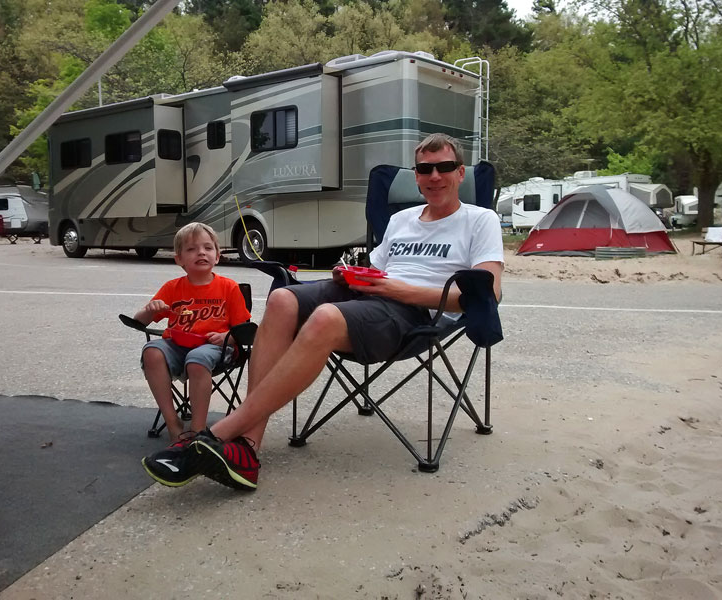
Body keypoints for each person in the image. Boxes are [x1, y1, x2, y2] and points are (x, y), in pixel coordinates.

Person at [142, 133, 504, 491]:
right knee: (283, 298)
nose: (434, 176)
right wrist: (349, 275)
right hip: (372, 299)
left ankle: (215, 436)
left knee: (326, 316)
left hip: (418, 315)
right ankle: (248, 448)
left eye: (444, 167)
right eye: (425, 169)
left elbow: (486, 293)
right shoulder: (402, 220)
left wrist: (398, 289)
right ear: (416, 175)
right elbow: (376, 269)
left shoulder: (479, 219)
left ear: (460, 173)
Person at [135, 222, 251, 454]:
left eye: (208, 248)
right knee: (152, 351)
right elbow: (139, 322)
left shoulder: (229, 288)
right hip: (177, 346)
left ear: (217, 256)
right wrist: (150, 309)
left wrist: (227, 337)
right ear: (179, 259)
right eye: (191, 249)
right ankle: (173, 424)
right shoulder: (172, 288)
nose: (201, 252)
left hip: (215, 349)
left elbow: (244, 331)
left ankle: (198, 431)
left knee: (198, 358)